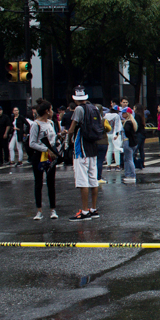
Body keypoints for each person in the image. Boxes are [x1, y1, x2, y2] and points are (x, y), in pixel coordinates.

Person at [66, 87, 101, 220]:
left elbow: (72, 129)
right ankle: (93, 208)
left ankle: (85, 212)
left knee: (82, 181)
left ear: (75, 99)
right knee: (93, 179)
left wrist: (67, 139)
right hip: (93, 148)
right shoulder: (94, 108)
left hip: (82, 149)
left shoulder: (79, 109)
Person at [28, 101, 60, 219]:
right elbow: (32, 143)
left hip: (51, 155)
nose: (52, 112)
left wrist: (58, 140)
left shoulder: (51, 123)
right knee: (38, 182)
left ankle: (53, 209)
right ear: (47, 111)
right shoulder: (36, 125)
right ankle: (39, 210)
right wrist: (45, 149)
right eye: (51, 110)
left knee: (51, 182)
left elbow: (53, 139)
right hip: (39, 156)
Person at [120, 107, 138, 183]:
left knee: (129, 159)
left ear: (127, 114)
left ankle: (132, 175)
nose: (122, 114)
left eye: (123, 113)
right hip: (133, 143)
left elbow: (127, 131)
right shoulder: (133, 122)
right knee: (128, 159)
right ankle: (128, 174)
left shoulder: (128, 122)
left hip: (127, 142)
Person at [104, 104, 122, 171]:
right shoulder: (116, 116)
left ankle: (108, 165)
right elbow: (117, 126)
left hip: (107, 134)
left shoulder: (106, 115)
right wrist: (116, 134)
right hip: (115, 135)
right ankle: (117, 165)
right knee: (116, 150)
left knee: (109, 150)